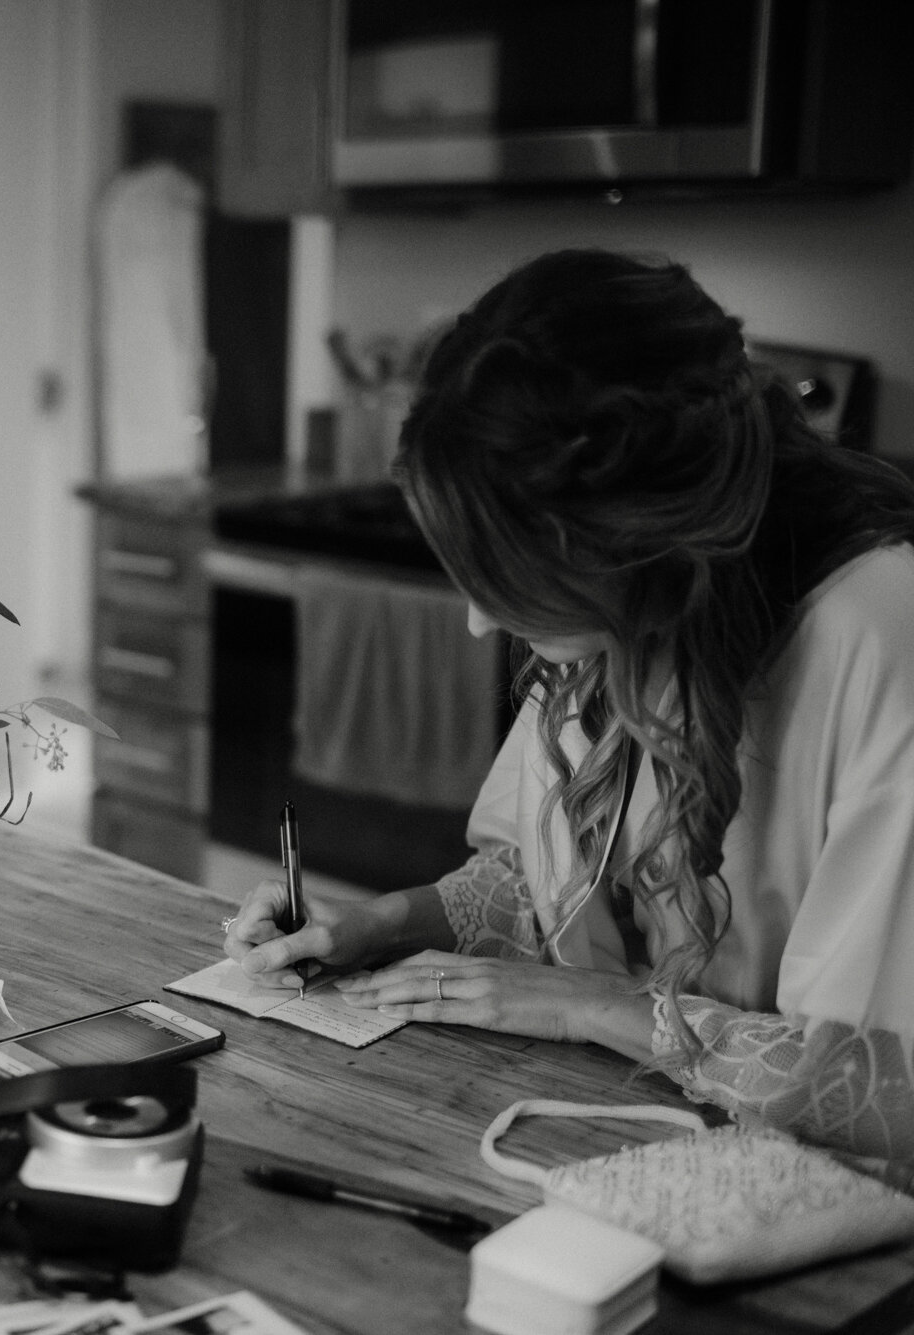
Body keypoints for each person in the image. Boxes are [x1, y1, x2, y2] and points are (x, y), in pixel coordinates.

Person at [225, 249, 914, 1169]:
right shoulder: (620, 616)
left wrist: (588, 1006)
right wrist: (382, 924)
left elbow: (881, 1087)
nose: (478, 622)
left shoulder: (876, 635)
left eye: (511, 581)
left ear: (630, 546)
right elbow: (543, 881)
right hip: (636, 1130)